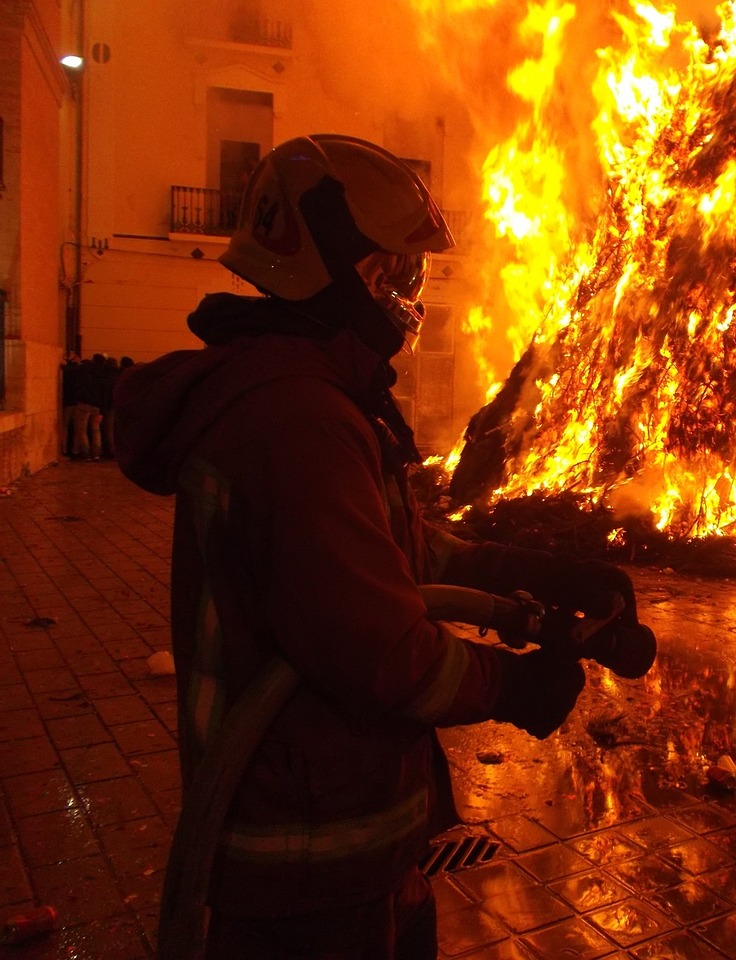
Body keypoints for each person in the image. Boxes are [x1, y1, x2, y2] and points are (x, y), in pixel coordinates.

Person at [113, 134, 653, 959]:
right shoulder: (296, 421)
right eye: (397, 273)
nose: (409, 296)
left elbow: (375, 549)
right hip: (311, 867)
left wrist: (515, 571)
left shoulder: (297, 394)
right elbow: (381, 651)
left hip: (340, 839)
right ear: (341, 271)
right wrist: (511, 684)